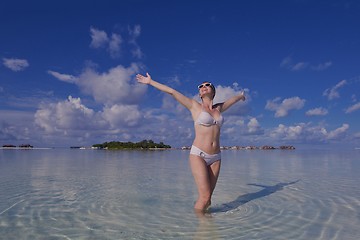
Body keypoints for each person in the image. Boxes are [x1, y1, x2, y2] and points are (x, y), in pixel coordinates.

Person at [136, 72, 246, 213]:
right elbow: (172, 92)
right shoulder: (194, 106)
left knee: (208, 198)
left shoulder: (219, 108)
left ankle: (206, 222)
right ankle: (200, 228)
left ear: (213, 92)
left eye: (207, 85)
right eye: (201, 86)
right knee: (205, 197)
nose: (203, 86)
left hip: (216, 158)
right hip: (198, 154)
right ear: (200, 94)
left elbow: (233, 100)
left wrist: (241, 96)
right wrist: (150, 82)